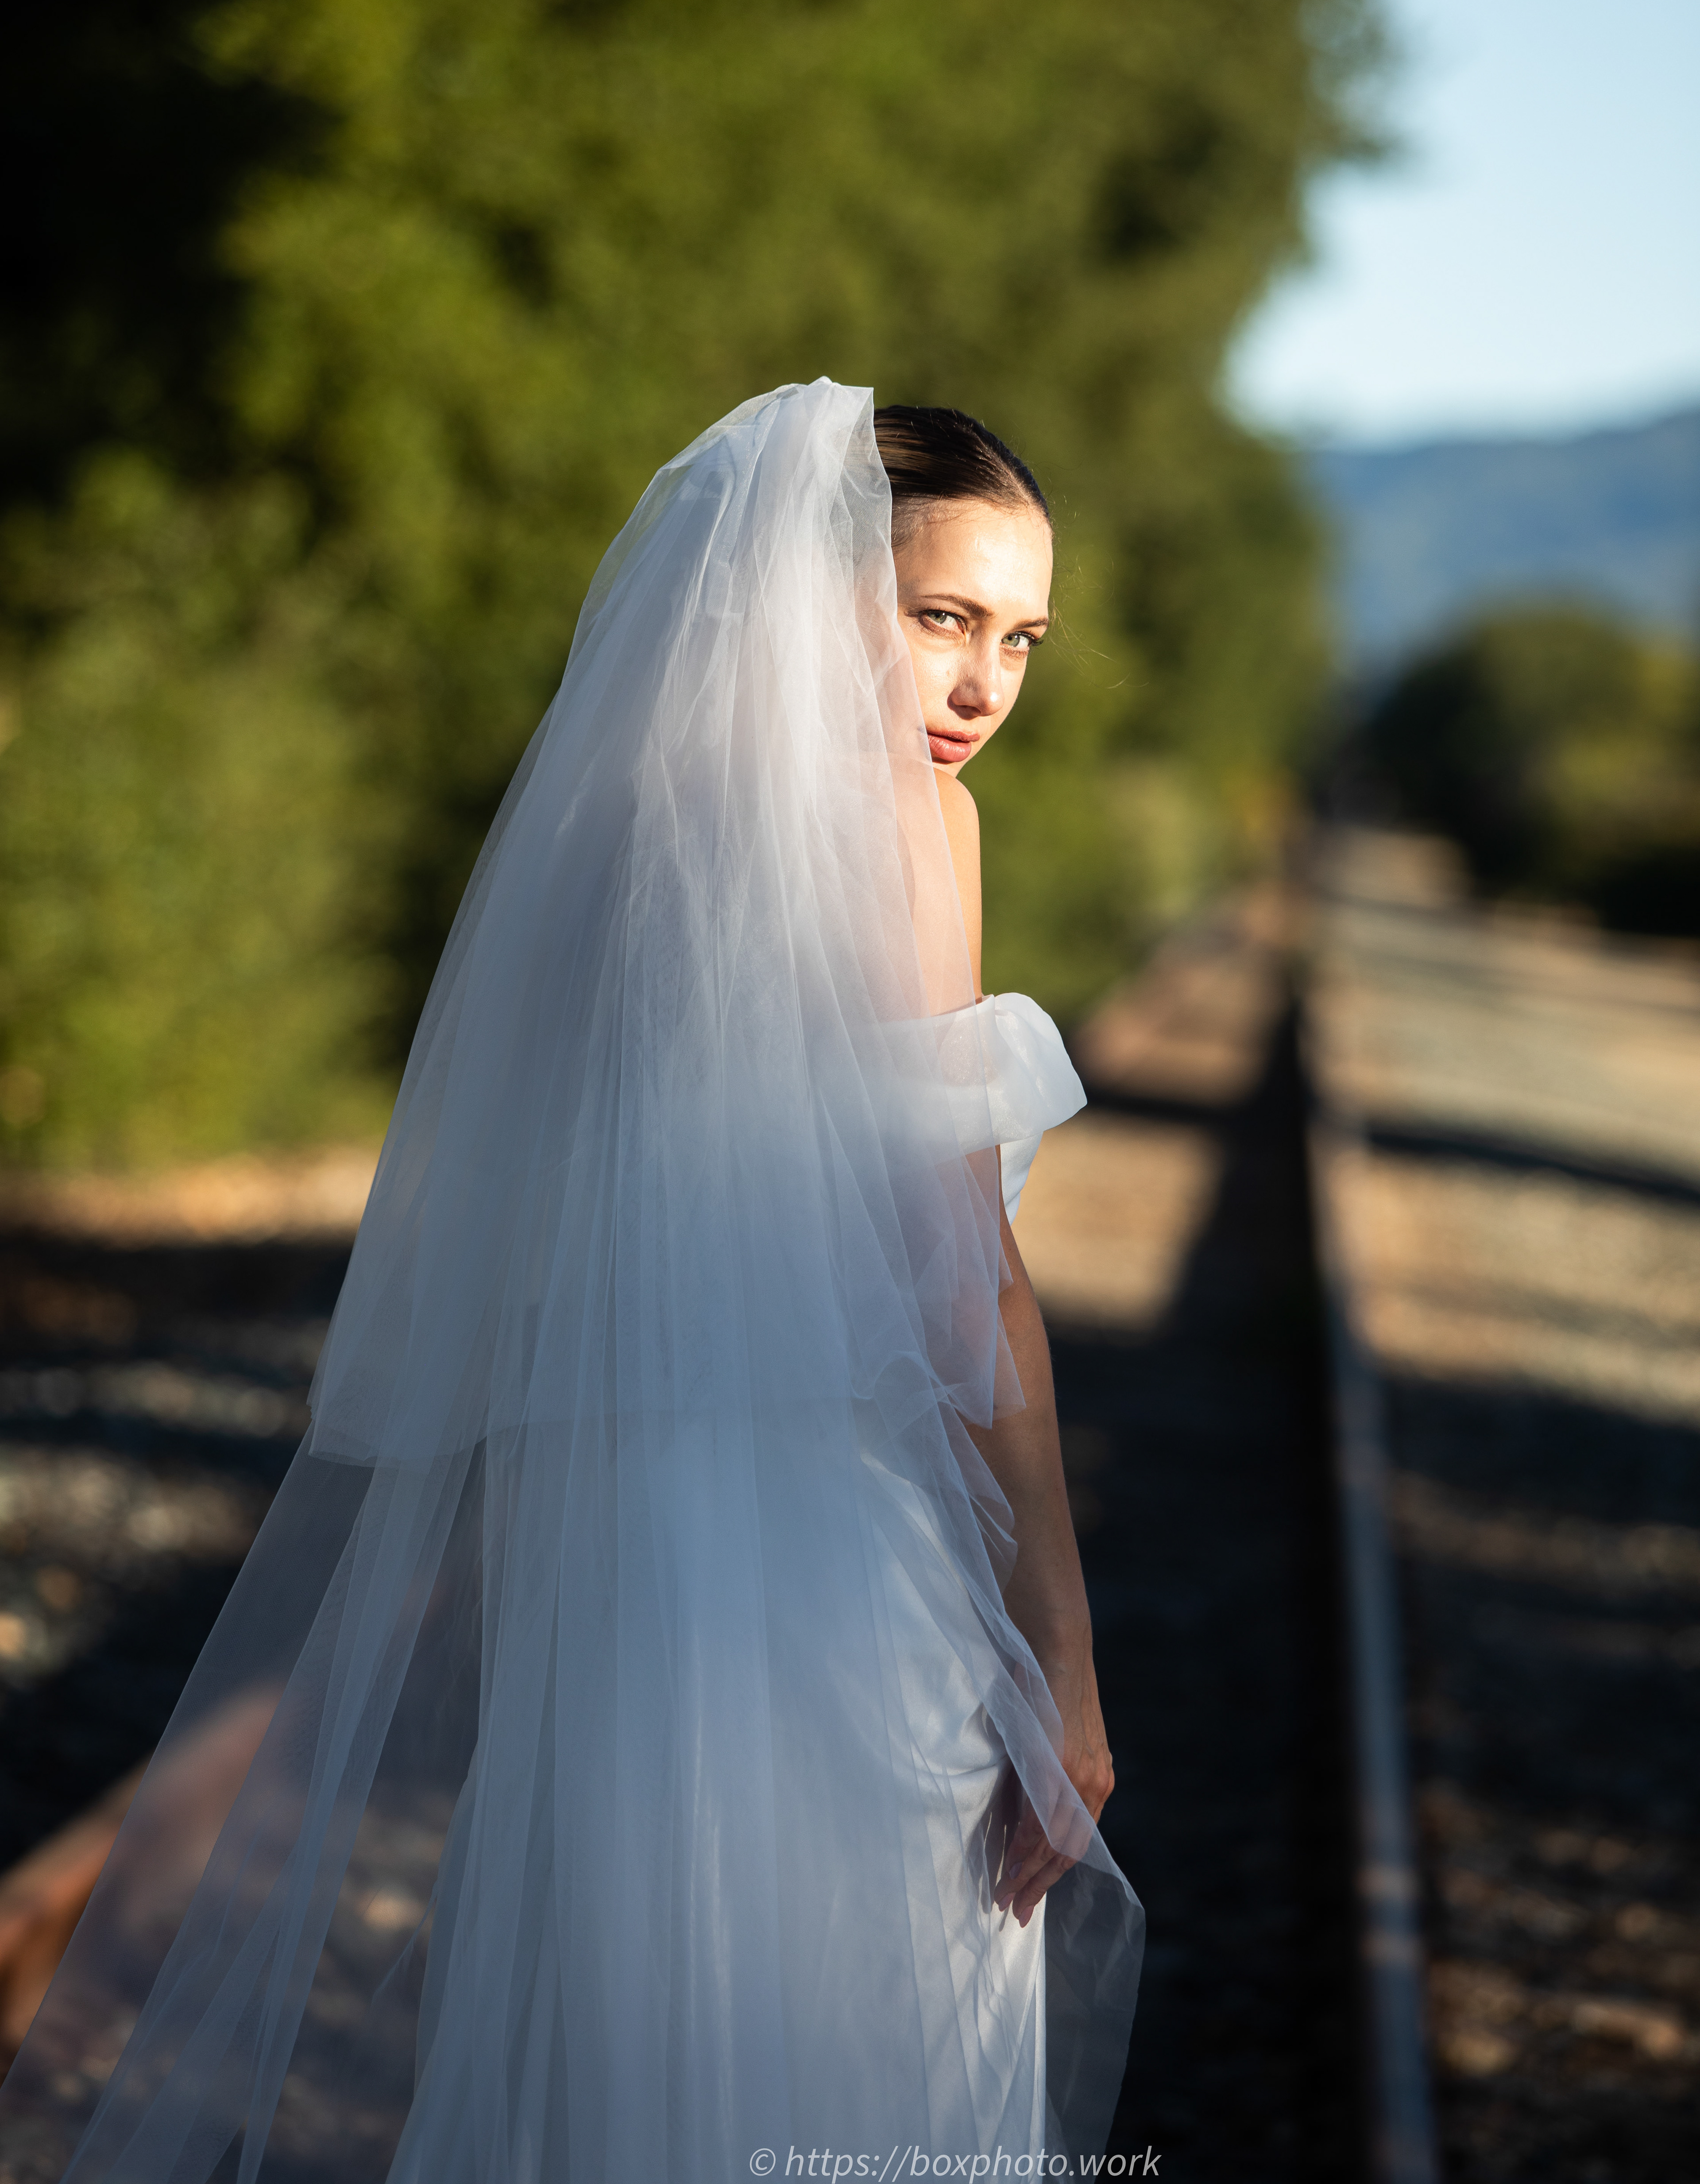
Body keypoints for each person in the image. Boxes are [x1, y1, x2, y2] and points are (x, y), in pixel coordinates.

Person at [0, 380, 1143, 2183]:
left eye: (1019, 638)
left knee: (616, 2046)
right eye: (939, 618)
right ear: (804, 584)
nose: (984, 690)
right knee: (847, 2062)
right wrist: (1061, 1662)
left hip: (611, 1536)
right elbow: (966, 1285)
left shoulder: (623, 813)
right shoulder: (916, 832)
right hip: (833, 1553)